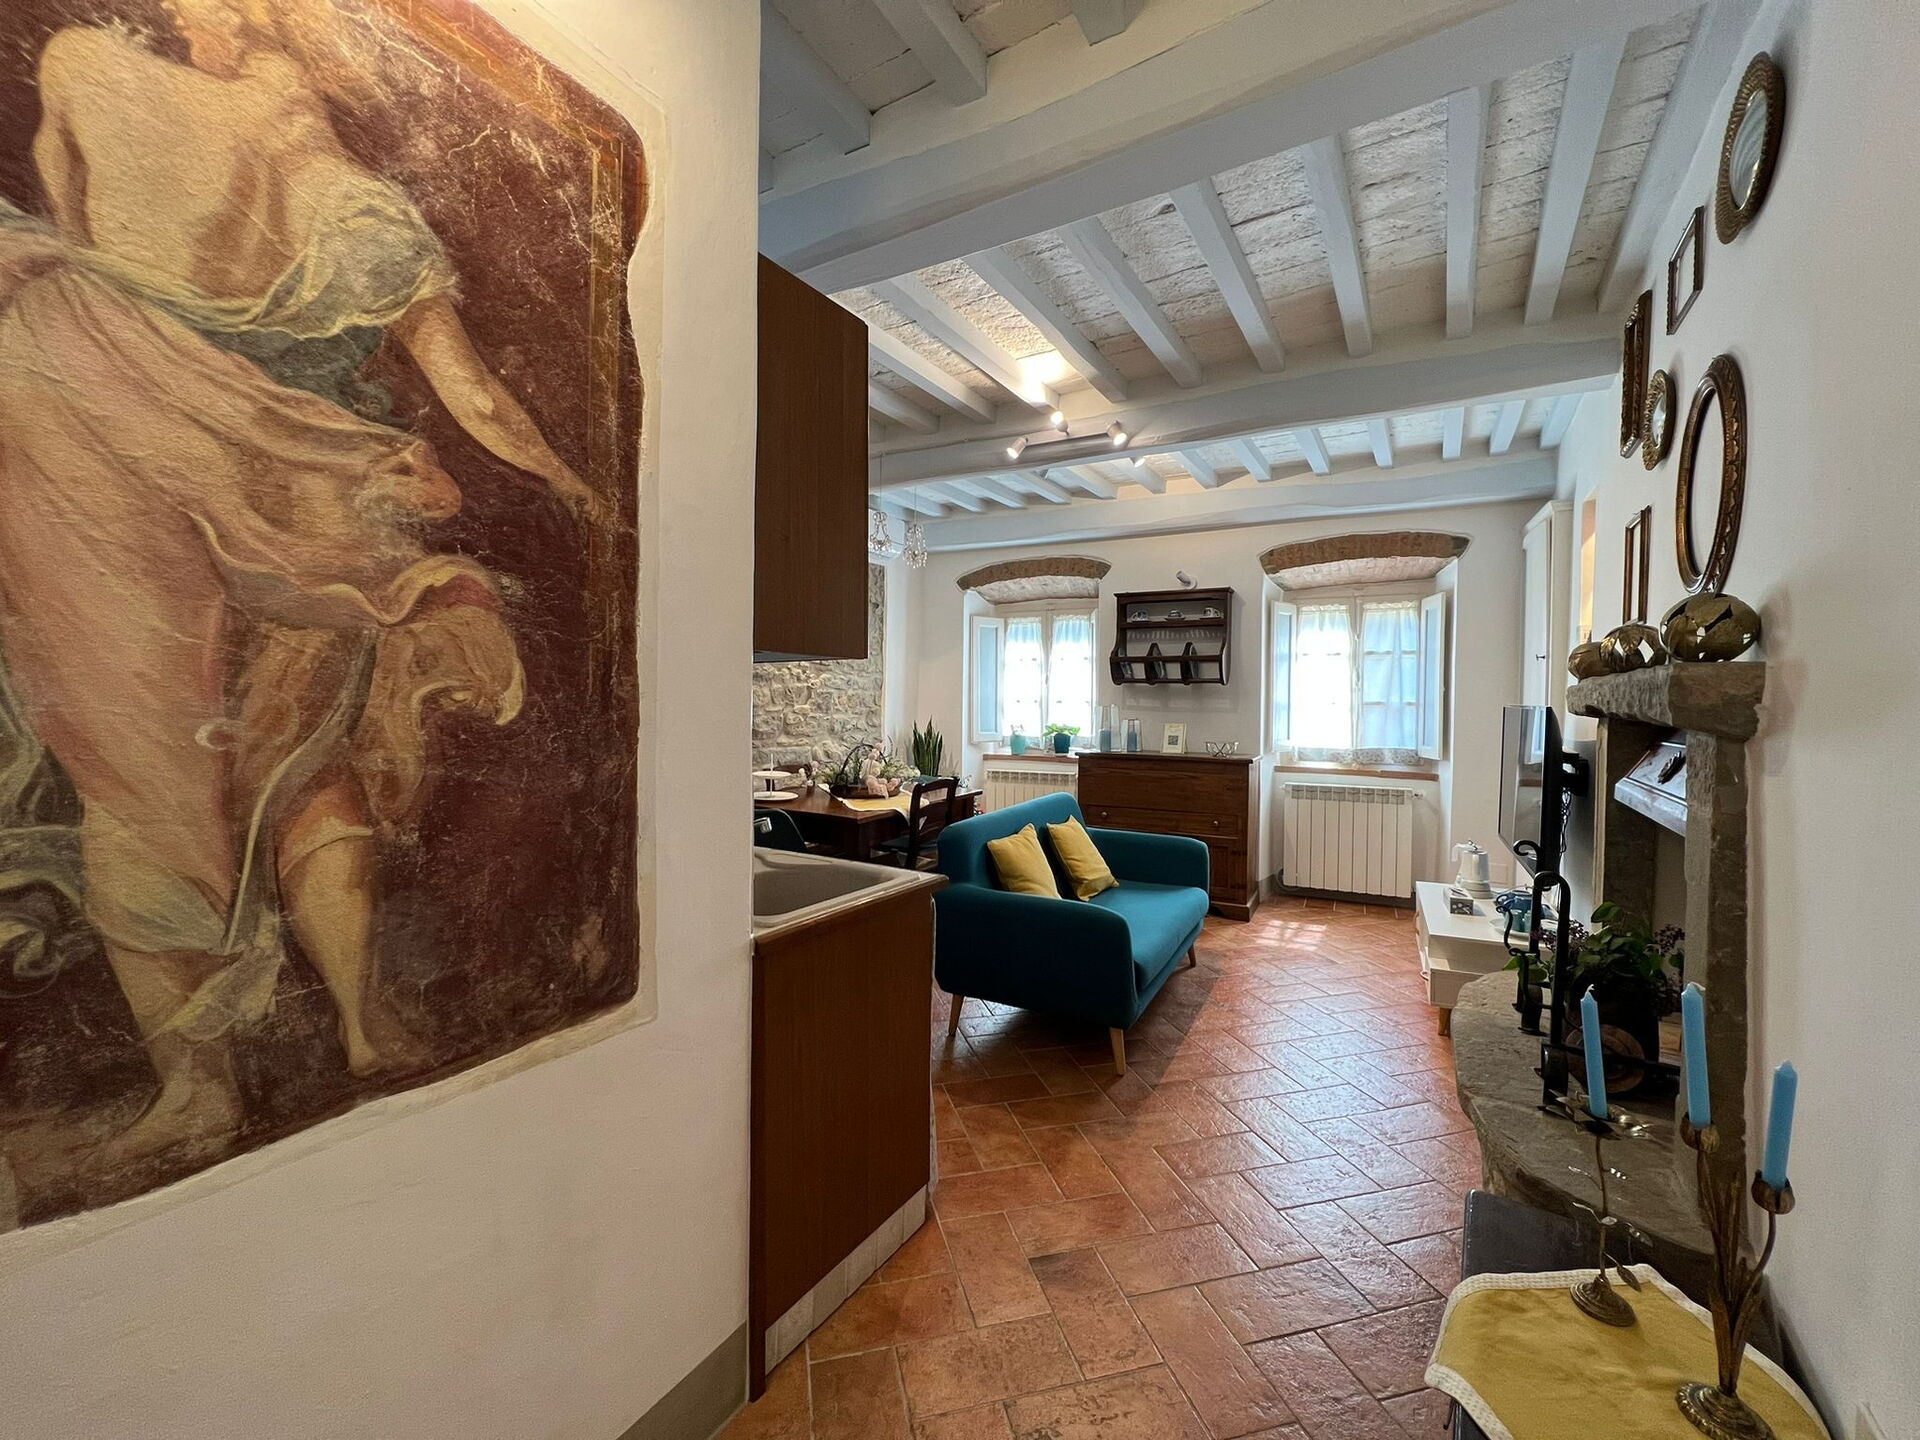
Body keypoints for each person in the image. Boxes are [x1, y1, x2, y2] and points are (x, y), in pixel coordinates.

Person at [0, 0, 599, 1169]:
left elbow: (78, 238)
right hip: (294, 473)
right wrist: (581, 491)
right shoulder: (323, 166)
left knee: (139, 761)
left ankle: (202, 1084)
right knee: (297, 746)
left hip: (106, 427)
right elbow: (477, 399)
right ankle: (359, 1029)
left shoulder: (79, 62)